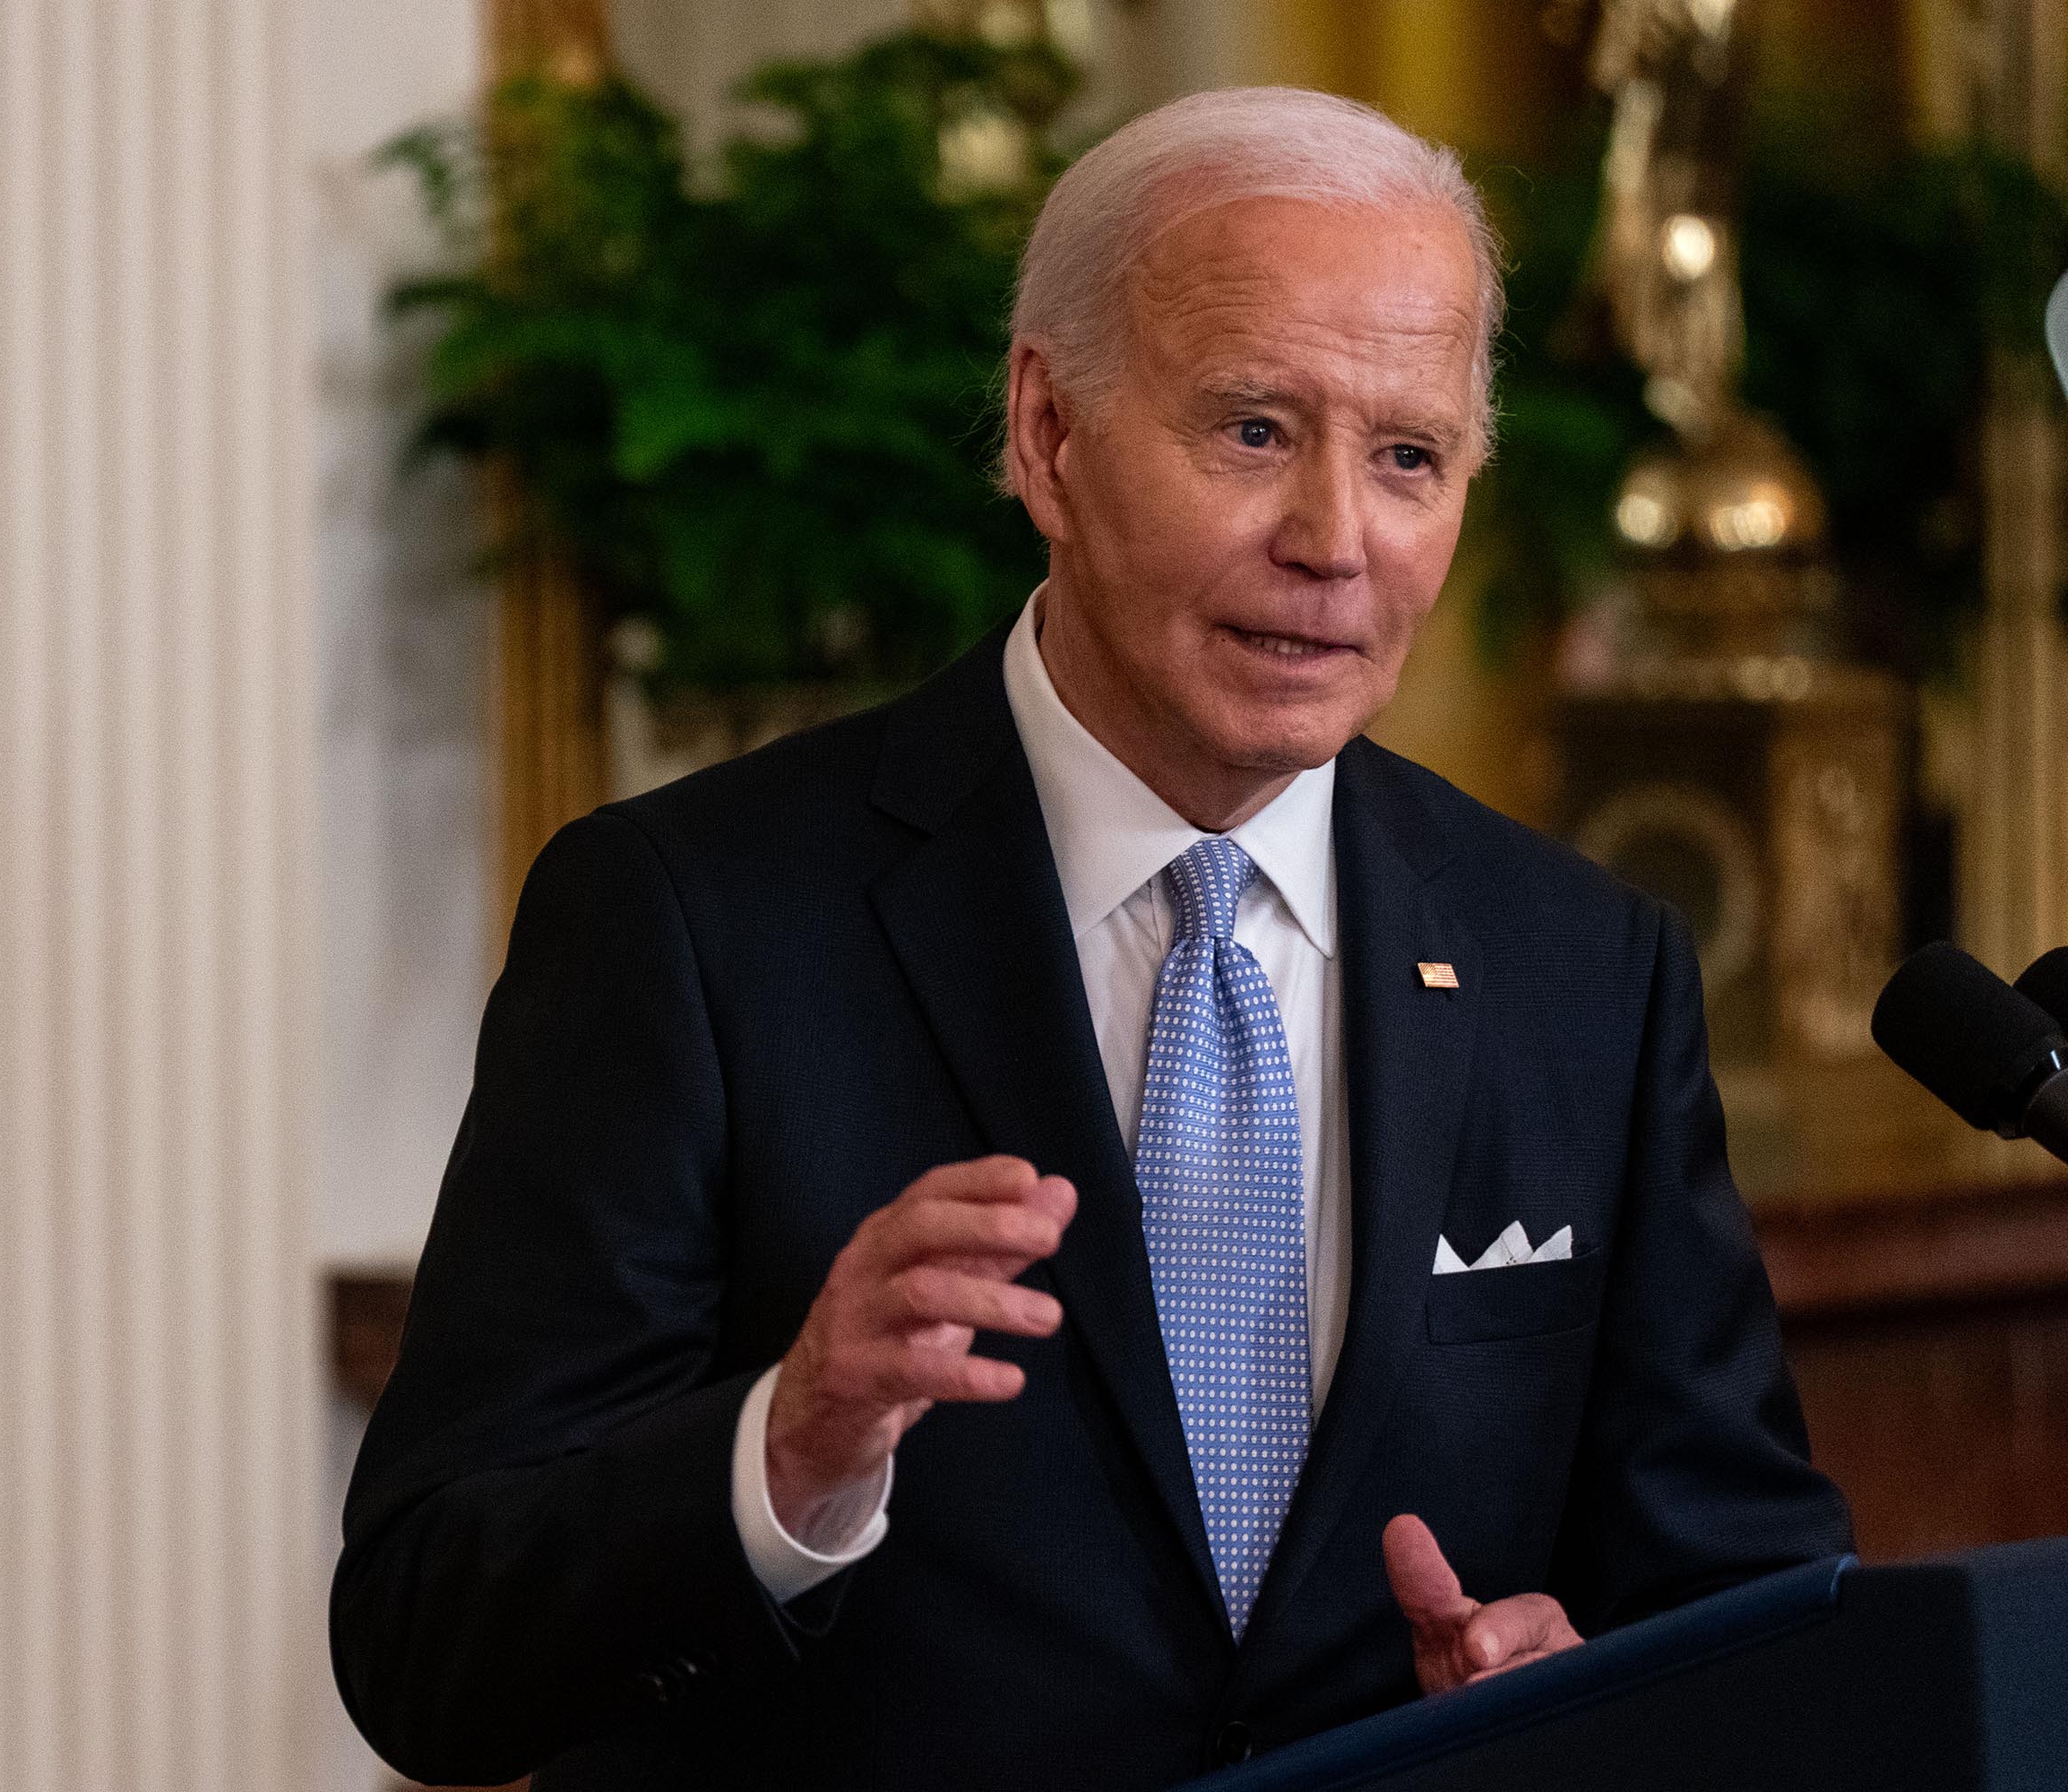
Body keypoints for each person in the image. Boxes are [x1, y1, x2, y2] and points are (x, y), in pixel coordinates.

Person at [331, 87, 1852, 1790]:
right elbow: (426, 1639)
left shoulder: (1583, 966)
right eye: (1255, 431)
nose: (1335, 540)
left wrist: (1594, 1694)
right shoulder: (691, 919)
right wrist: (787, 1452)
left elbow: (1760, 1610)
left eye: (1408, 457)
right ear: (1050, 438)